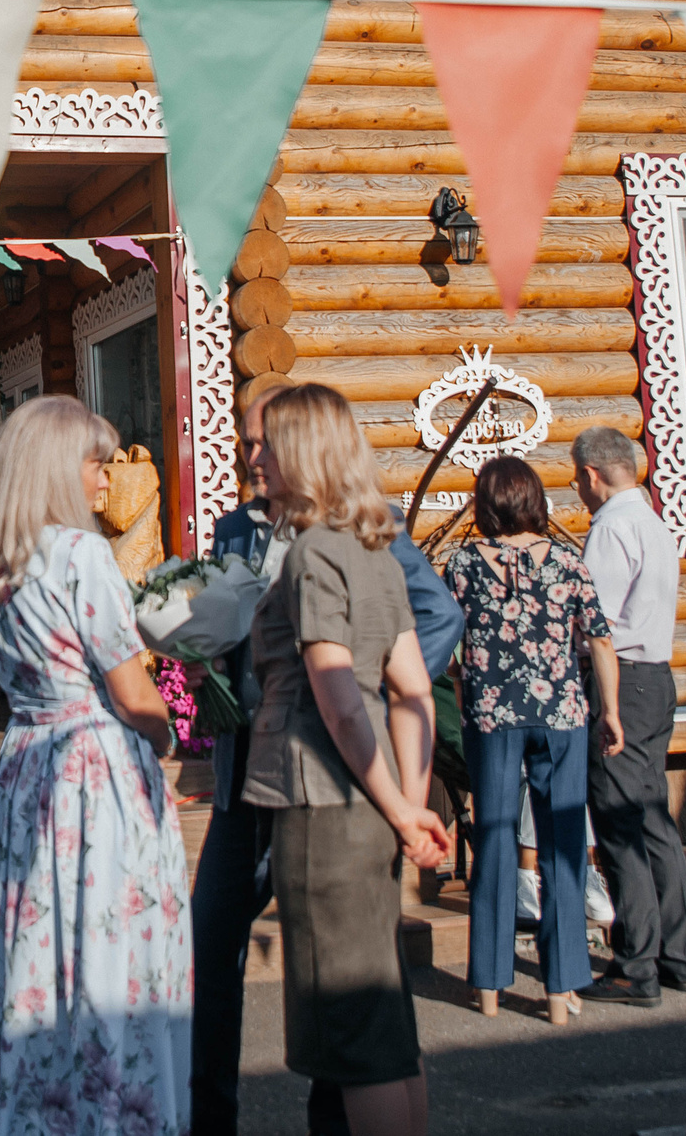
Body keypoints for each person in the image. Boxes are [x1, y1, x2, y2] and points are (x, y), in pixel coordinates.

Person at [192, 379, 459, 1136]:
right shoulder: (355, 540)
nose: (252, 458)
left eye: (266, 443)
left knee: (348, 1030)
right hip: (332, 786)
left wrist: (403, 806)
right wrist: (409, 804)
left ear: (303, 450)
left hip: (320, 790)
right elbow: (411, 690)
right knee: (380, 1022)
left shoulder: (318, 550)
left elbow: (342, 695)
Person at [0, 394, 190, 1136]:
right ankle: (111, 1111)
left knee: (34, 941)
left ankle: (34, 1111)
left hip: (27, 757)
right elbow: (131, 691)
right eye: (98, 463)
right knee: (107, 942)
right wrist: (168, 737)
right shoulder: (81, 555)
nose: (107, 478)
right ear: (60, 468)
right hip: (93, 767)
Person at [444, 454, 621, 1025]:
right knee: (562, 846)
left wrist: (463, 678)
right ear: (534, 501)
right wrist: (611, 711)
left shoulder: (463, 564)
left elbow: (444, 639)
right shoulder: (568, 561)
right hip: (561, 714)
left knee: (495, 840)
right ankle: (561, 988)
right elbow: (599, 639)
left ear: (486, 504)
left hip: (492, 716)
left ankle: (489, 986)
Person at [572, 426, 686, 1006]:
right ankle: (679, 955)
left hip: (619, 679)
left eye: (578, 478)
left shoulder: (610, 529)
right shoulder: (652, 522)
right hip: (656, 675)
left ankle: (636, 964)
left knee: (620, 822)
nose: (578, 488)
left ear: (592, 474)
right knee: (652, 818)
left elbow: (595, 624)